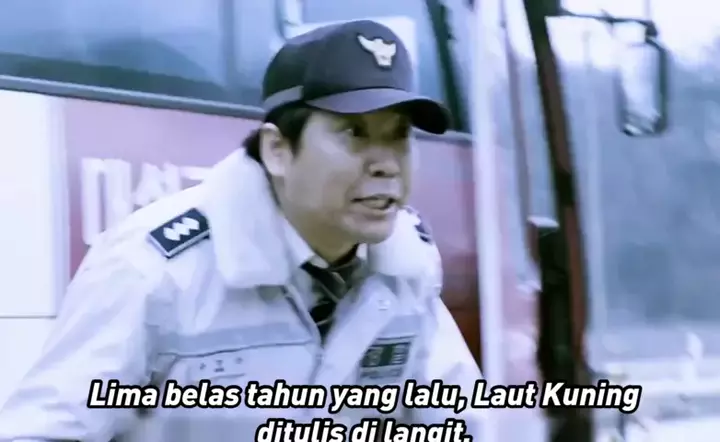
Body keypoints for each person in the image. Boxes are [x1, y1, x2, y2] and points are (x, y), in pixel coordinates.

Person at [0, 20, 484, 441]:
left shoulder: (405, 267)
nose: (386, 164)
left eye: (399, 136)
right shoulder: (155, 269)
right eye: (353, 133)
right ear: (278, 151)